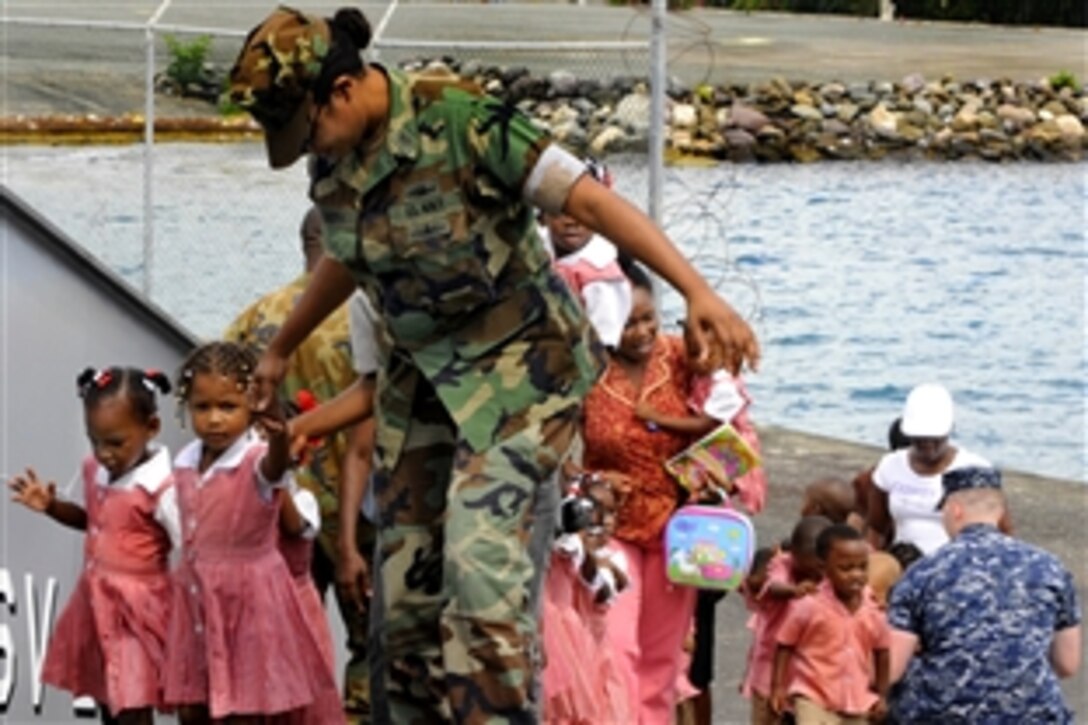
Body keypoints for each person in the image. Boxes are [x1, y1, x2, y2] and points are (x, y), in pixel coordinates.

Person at [227, 7, 759, 721]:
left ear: (345, 88)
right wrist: (281, 346)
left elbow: (594, 202)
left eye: (308, 126)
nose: (306, 148)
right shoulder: (336, 157)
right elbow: (350, 254)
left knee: (480, 580)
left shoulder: (465, 121)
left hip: (522, 380)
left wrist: (696, 290)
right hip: (425, 387)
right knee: (404, 619)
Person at [223, 207, 373, 716]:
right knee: (369, 649)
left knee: (284, 652)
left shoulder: (257, 319)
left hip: (277, 512)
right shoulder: (366, 313)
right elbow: (368, 433)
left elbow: (217, 400)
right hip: (355, 514)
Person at [162, 342, 335, 724]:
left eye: (228, 407)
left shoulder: (254, 458)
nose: (215, 420)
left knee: (246, 706)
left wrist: (278, 441)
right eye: (202, 408)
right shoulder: (185, 460)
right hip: (199, 598)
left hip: (249, 603)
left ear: (251, 406)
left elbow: (273, 473)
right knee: (194, 705)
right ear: (186, 407)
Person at [7, 367, 177, 725]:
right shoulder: (93, 470)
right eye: (94, 441)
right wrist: (52, 507)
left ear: (152, 428)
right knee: (106, 695)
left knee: (132, 700)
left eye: (115, 442)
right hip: (96, 602)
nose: (104, 454)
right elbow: (97, 522)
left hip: (138, 611)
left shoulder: (162, 487)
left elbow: (189, 545)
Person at [581, 263, 704, 722]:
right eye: (628, 322)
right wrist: (591, 479)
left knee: (661, 659)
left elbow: (726, 421)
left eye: (648, 318)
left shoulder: (681, 359)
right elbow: (550, 451)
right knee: (615, 648)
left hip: (678, 530)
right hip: (611, 529)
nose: (641, 332)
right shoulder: (583, 372)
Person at [887, 466, 1082, 723]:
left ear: (955, 510)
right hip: (1033, 715)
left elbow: (891, 669)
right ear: (1000, 513)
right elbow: (1068, 664)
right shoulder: (1051, 567)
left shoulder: (922, 572)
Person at [771, 524, 890, 724]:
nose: (856, 575)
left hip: (857, 699)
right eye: (845, 568)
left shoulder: (874, 610)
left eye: (862, 567)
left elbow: (882, 651)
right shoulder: (809, 605)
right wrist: (777, 687)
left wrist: (882, 695)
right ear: (823, 567)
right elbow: (785, 644)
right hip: (814, 695)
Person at [540, 474, 630, 723]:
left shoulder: (607, 559)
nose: (598, 523)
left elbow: (604, 589)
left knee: (582, 705)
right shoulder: (564, 545)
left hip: (583, 643)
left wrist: (588, 552)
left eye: (607, 514)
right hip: (554, 632)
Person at [866, 383, 990, 555]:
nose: (927, 442)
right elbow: (876, 529)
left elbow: (997, 533)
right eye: (920, 436)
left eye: (934, 436)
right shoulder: (890, 466)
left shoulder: (974, 469)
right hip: (903, 561)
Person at [740, 516, 832, 725]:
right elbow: (773, 585)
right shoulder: (781, 564)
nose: (817, 574)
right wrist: (794, 590)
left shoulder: (828, 572)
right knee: (768, 716)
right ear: (795, 556)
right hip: (770, 669)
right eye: (810, 568)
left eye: (821, 567)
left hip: (806, 676)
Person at [273, 482, 345, 725]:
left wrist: (273, 482)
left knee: (306, 697)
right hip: (258, 609)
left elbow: (293, 527)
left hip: (298, 612)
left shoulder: (304, 499)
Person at [541, 157, 632, 349]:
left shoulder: (600, 276)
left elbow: (603, 345)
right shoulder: (535, 247)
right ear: (543, 214)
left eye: (583, 213)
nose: (571, 221)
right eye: (560, 211)